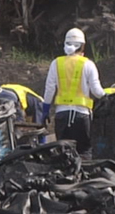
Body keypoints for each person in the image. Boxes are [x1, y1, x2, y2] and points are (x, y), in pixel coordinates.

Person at [42, 28, 106, 156]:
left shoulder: (56, 63)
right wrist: (109, 95)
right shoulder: (88, 64)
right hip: (82, 116)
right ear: (83, 46)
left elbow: (49, 90)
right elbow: (97, 92)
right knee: (85, 152)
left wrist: (45, 111)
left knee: (63, 154)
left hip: (62, 116)